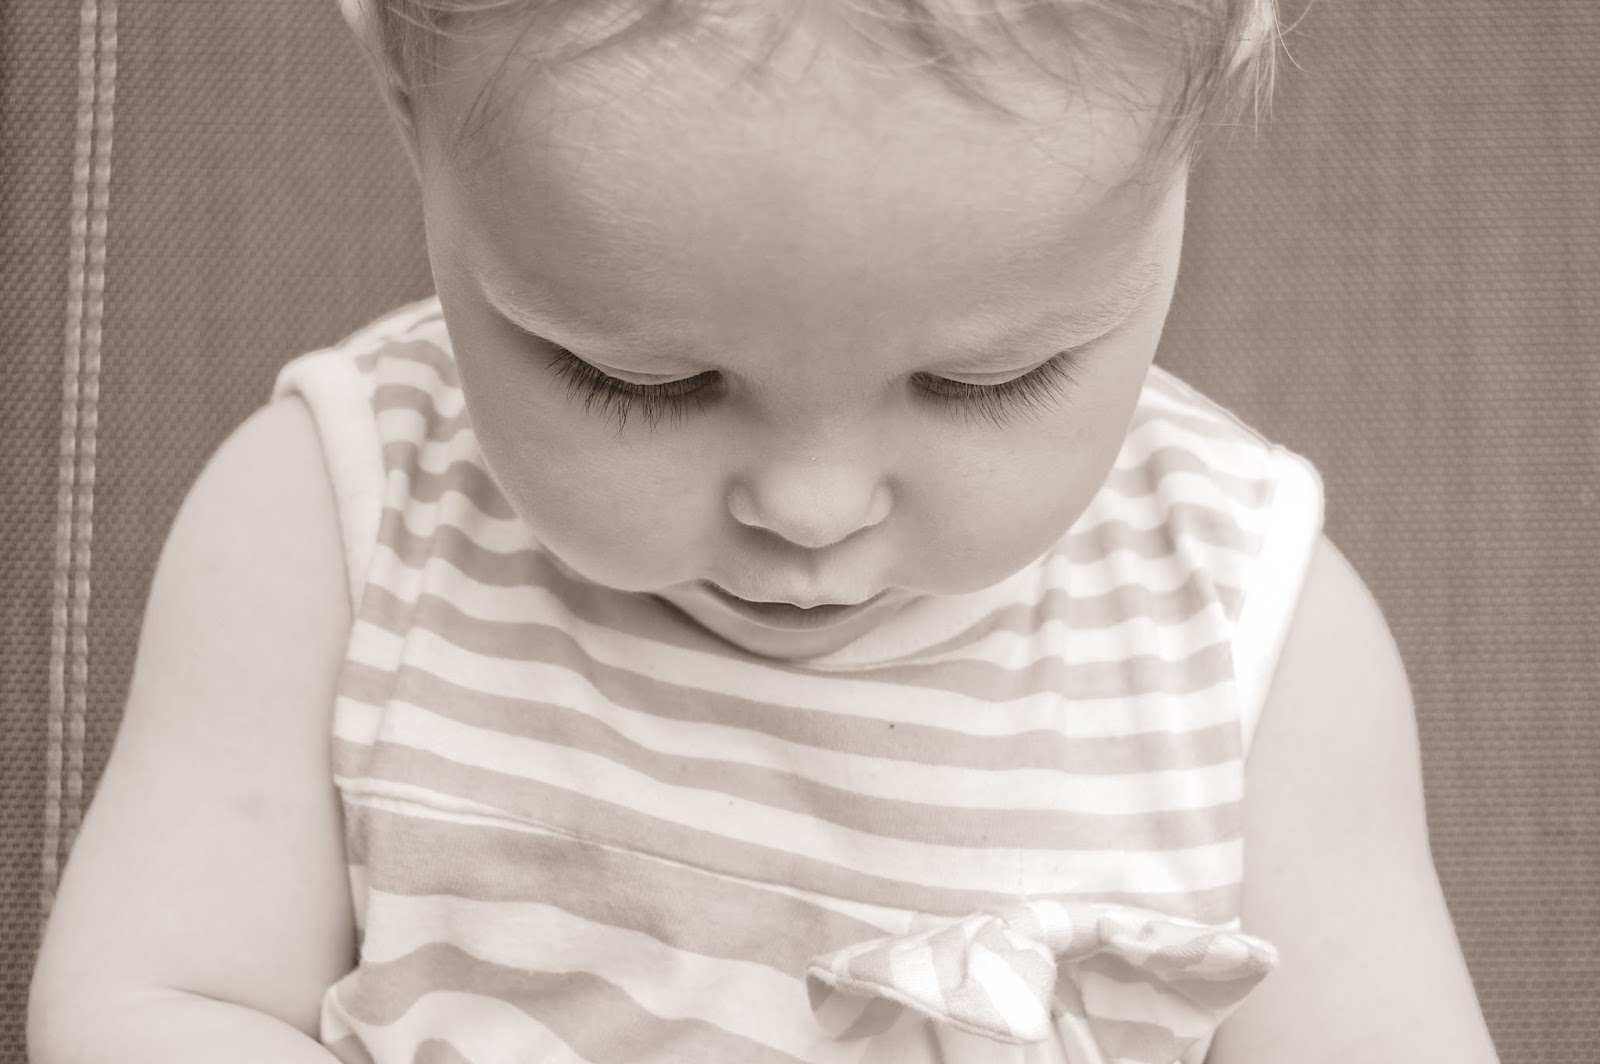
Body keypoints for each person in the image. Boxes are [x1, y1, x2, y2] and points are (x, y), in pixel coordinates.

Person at [28, 1, 1502, 1061]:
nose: (810, 508)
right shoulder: (337, 518)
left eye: (982, 380)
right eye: (641, 382)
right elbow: (148, 1005)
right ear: (412, 120)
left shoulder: (1251, 643)